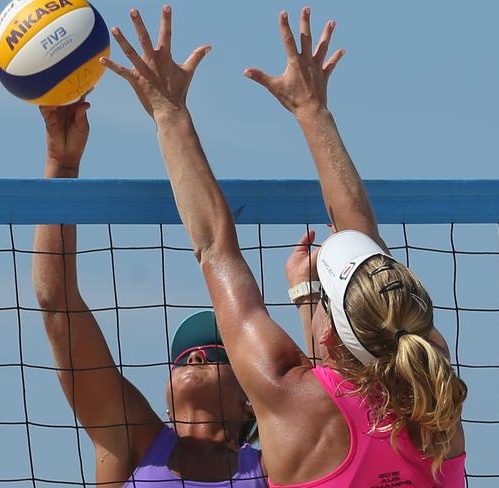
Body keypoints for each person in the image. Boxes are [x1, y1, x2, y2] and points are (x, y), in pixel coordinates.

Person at [101, 5, 467, 487]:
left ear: (331, 337)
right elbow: (367, 253)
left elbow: (216, 247)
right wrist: (313, 111)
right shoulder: (435, 402)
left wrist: (168, 110)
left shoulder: (289, 397)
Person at [32, 101, 265, 486]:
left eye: (213, 353)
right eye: (182, 357)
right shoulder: (134, 441)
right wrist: (62, 162)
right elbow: (56, 303)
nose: (192, 357)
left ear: (249, 400)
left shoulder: (273, 465)